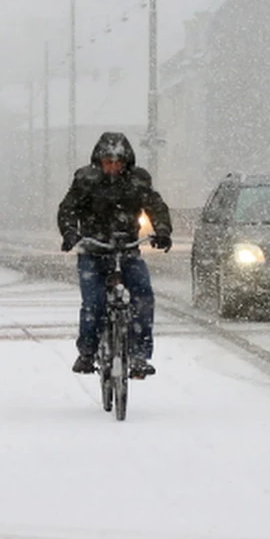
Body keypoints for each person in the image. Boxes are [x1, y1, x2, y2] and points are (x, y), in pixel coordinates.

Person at [57, 132, 172, 379]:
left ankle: (139, 355)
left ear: (126, 162)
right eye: (107, 161)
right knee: (94, 303)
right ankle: (87, 352)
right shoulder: (85, 180)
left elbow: (156, 206)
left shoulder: (138, 181)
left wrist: (162, 230)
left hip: (128, 249)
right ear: (99, 161)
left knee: (143, 294)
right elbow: (68, 209)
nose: (112, 167)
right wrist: (69, 232)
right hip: (93, 251)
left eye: (117, 162)